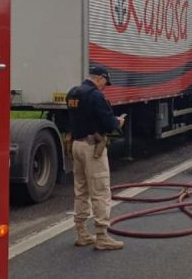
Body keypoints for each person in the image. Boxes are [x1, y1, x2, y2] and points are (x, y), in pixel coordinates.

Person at [66, 65, 126, 250]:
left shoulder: (73, 93)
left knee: (81, 190)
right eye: (105, 83)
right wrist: (118, 122)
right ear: (99, 78)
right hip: (93, 148)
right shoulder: (95, 95)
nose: (104, 87)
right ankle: (102, 236)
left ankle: (82, 233)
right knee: (100, 191)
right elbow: (108, 124)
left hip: (76, 145)